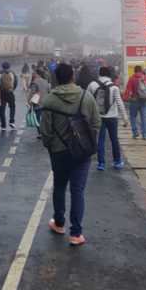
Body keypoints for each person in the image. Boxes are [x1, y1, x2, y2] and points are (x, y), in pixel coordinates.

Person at [39, 63, 100, 246]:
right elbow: (97, 123)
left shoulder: (49, 100)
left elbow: (45, 131)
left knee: (59, 186)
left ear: (56, 78)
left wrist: (50, 146)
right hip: (81, 152)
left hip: (58, 152)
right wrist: (87, 141)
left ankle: (58, 223)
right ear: (73, 76)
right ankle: (76, 234)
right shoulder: (85, 97)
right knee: (77, 190)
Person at [86, 66, 127, 171]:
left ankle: (101, 163)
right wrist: (125, 118)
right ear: (109, 75)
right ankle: (117, 161)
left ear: (99, 74)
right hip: (112, 117)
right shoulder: (114, 87)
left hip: (98, 117)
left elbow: (86, 100)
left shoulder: (92, 85)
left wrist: (87, 116)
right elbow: (119, 103)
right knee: (114, 139)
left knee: (100, 140)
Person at [123, 65, 146, 139]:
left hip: (134, 100)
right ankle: (145, 135)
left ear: (134, 70)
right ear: (141, 70)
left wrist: (126, 98)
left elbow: (128, 90)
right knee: (144, 118)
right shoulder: (144, 77)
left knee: (133, 117)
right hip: (144, 100)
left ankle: (135, 132)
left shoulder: (131, 78)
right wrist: (145, 74)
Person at [0, 61, 19, 129]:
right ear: (9, 66)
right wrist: (12, 89)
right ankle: (11, 121)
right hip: (10, 92)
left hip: (1, 93)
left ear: (2, 66)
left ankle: (3, 125)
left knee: (2, 109)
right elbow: (16, 82)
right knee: (12, 107)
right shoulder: (12, 73)